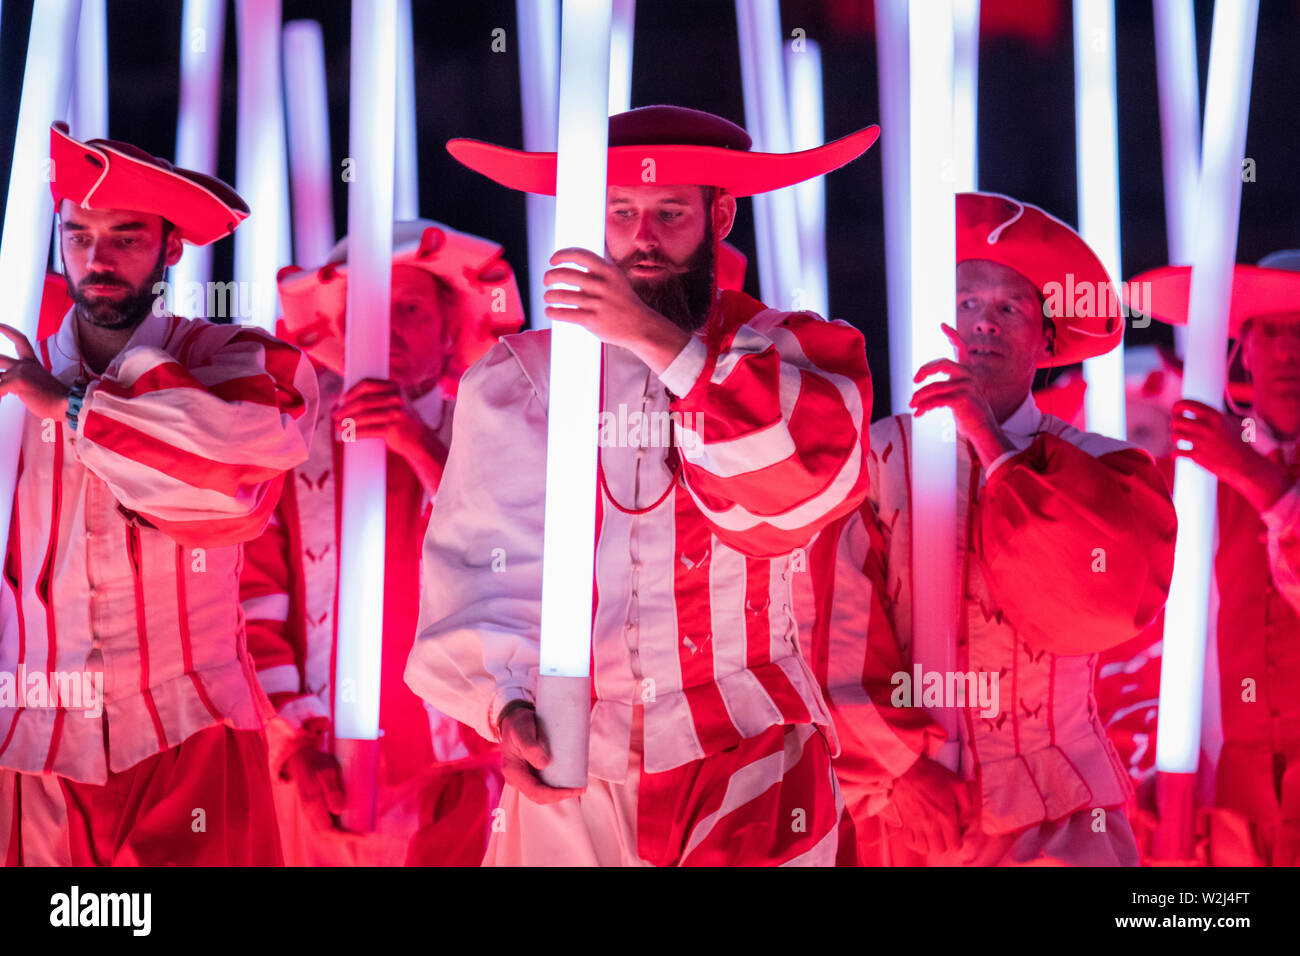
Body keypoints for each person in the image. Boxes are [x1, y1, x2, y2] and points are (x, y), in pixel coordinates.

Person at [406, 105, 879, 866]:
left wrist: (652, 338)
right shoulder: (522, 377)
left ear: (720, 215)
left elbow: (797, 495)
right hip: (572, 751)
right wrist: (508, 706)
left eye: (669, 212)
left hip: (752, 739)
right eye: (621, 212)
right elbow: (479, 570)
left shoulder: (789, 350)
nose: (643, 237)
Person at [803, 192, 1177, 866]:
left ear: (1047, 337)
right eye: (967, 305)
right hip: (905, 815)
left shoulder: (1109, 466)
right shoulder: (870, 460)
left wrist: (989, 439)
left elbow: (1098, 607)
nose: (983, 325)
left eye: (1009, 308)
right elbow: (825, 631)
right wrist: (901, 772)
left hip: (1062, 819)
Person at [0, 123, 318, 865]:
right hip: (32, 743)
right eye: (77, 236)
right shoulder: (12, 385)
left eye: (125, 237)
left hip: (191, 733)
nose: (97, 259)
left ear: (171, 249)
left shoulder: (232, 357)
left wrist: (71, 407)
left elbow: (233, 492)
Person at [242, 220, 523, 865]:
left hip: (467, 769)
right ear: (337, 329)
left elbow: (519, 572)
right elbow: (253, 605)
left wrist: (417, 446)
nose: (387, 329)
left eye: (410, 310)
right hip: (324, 768)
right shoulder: (286, 447)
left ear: (450, 328)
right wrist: (298, 745)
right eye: (366, 312)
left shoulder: (499, 434)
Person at [1132, 251, 1300, 866]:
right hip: (1232, 792)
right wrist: (1169, 758)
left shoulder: (1228, 463)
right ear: (1244, 350)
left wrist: (1257, 479)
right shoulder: (1198, 479)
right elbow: (1172, 632)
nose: (1287, 354)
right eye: (1272, 333)